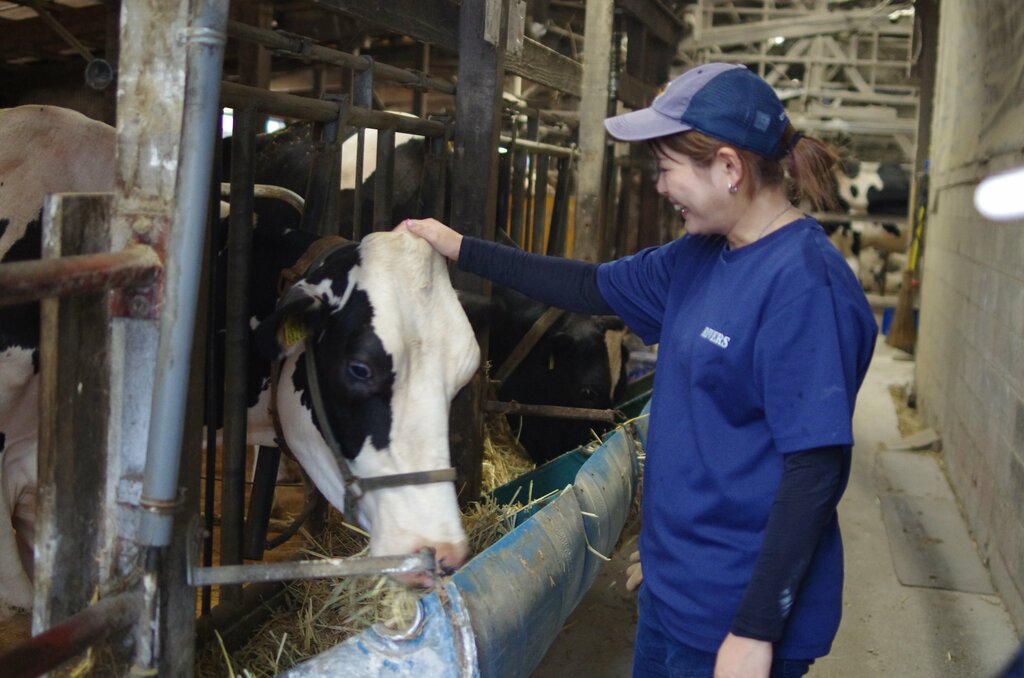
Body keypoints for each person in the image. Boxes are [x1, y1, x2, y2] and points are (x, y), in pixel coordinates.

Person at [397, 62, 877, 678]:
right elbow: (587, 285)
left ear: (729, 169)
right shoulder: (697, 257)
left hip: (736, 619)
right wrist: (460, 247)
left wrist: (755, 632)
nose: (658, 187)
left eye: (666, 168)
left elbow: (814, 471)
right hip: (672, 592)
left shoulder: (806, 288)